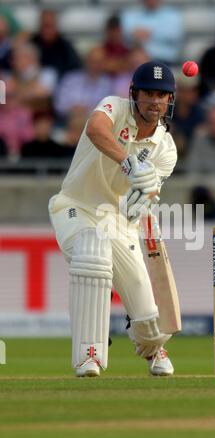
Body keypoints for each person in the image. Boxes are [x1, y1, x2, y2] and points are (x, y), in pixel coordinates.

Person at [48, 61, 177, 378]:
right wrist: (128, 163)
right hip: (75, 205)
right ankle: (89, 353)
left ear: (170, 100)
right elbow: (95, 130)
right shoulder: (113, 107)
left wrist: (143, 198)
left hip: (119, 222)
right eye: (148, 92)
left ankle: (152, 346)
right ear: (134, 93)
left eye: (162, 95)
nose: (154, 100)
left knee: (147, 314)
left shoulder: (166, 148)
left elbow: (149, 190)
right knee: (92, 255)